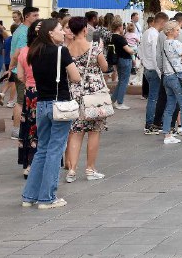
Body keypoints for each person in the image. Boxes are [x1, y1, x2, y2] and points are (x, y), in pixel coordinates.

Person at [22, 19, 82, 209]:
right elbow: (76, 77)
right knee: (55, 150)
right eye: (59, 29)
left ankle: (29, 195)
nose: (63, 32)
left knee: (42, 150)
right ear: (50, 33)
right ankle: (47, 198)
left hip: (42, 104)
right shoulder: (60, 51)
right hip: (60, 104)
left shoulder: (34, 52)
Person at [64, 17, 110, 183]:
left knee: (76, 132)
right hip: (94, 94)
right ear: (84, 29)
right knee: (94, 132)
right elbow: (105, 67)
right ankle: (90, 169)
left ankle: (72, 170)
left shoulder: (66, 49)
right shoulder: (94, 48)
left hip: (75, 93)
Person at [7, 6, 40, 138]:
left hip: (19, 69)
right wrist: (12, 68)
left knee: (23, 100)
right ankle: (16, 130)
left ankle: (21, 126)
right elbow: (18, 54)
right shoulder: (24, 32)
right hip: (21, 71)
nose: (37, 18)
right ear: (27, 17)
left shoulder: (22, 29)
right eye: (35, 16)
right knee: (21, 101)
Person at [160, 20, 182, 145]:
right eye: (177, 29)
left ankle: (167, 134)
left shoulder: (165, 43)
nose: (179, 32)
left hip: (167, 77)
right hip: (178, 77)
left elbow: (175, 58)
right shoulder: (176, 43)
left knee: (170, 106)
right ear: (171, 31)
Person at [16, 21, 41, 178]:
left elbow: (19, 75)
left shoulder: (24, 51)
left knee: (28, 128)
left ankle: (27, 164)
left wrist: (29, 84)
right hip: (44, 93)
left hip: (29, 93)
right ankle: (36, 163)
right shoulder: (46, 50)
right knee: (41, 128)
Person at [139, 12, 168, 134]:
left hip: (147, 68)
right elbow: (156, 56)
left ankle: (151, 122)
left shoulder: (146, 33)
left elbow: (140, 51)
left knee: (152, 97)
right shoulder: (155, 35)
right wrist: (160, 72)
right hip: (154, 69)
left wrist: (143, 63)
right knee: (154, 98)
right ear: (162, 22)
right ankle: (150, 123)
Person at [108, 19, 134, 110]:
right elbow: (128, 50)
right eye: (122, 26)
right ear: (119, 27)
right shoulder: (120, 38)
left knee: (121, 81)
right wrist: (134, 51)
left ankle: (113, 100)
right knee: (124, 81)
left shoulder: (112, 37)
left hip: (118, 60)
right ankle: (120, 102)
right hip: (125, 60)